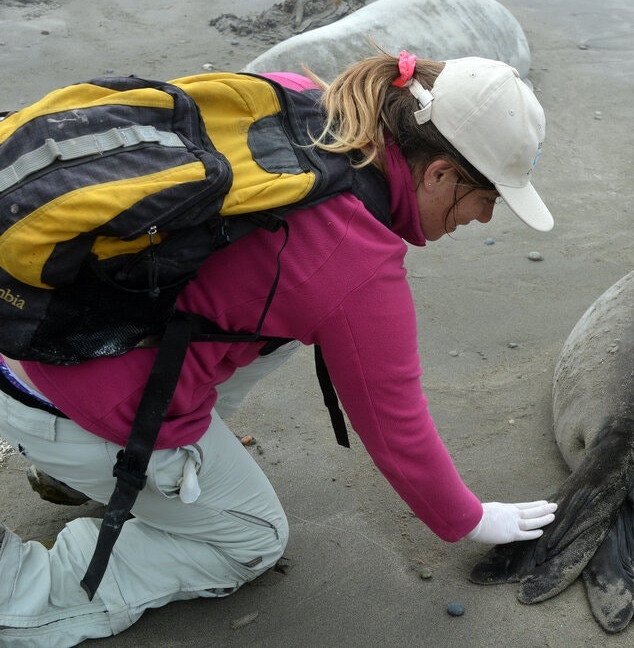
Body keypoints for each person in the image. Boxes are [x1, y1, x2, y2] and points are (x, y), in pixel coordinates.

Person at [0, 50, 558, 646]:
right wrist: (469, 519)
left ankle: (82, 471)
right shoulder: (356, 260)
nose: (484, 217)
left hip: (28, 316)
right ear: (439, 174)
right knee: (253, 539)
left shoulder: (304, 102)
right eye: (488, 197)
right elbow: (397, 426)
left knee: (281, 330)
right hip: (73, 387)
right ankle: (22, 589)